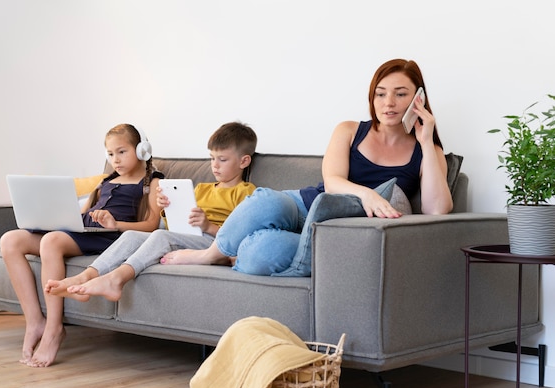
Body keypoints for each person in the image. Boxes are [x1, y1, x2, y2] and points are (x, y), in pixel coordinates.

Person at [161, 58, 454, 275]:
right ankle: (211, 254)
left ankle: (233, 254)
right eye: (380, 93)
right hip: (307, 204)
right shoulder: (350, 130)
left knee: (257, 253)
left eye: (401, 94)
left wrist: (427, 141)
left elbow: (437, 210)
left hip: (334, 234)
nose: (388, 102)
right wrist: (368, 195)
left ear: (419, 99)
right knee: (266, 201)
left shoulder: (428, 151)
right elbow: (333, 179)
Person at [0, 123, 163, 367]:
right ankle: (35, 321)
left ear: (141, 150)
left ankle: (55, 328)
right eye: (110, 154)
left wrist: (115, 223)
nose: (115, 160)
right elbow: (83, 214)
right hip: (84, 229)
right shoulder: (106, 180)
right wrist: (56, 217)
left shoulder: (152, 182)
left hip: (110, 236)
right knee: (10, 240)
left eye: (122, 152)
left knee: (52, 241)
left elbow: (152, 225)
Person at [44, 121, 257, 302]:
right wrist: (168, 208)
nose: (215, 166)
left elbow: (239, 237)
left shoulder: (247, 193)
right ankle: (87, 275)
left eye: (222, 159)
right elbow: (179, 223)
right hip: (189, 237)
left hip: (214, 243)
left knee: (160, 235)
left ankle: (116, 279)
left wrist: (207, 226)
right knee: (132, 235)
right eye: (212, 158)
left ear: (243, 161)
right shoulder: (202, 188)